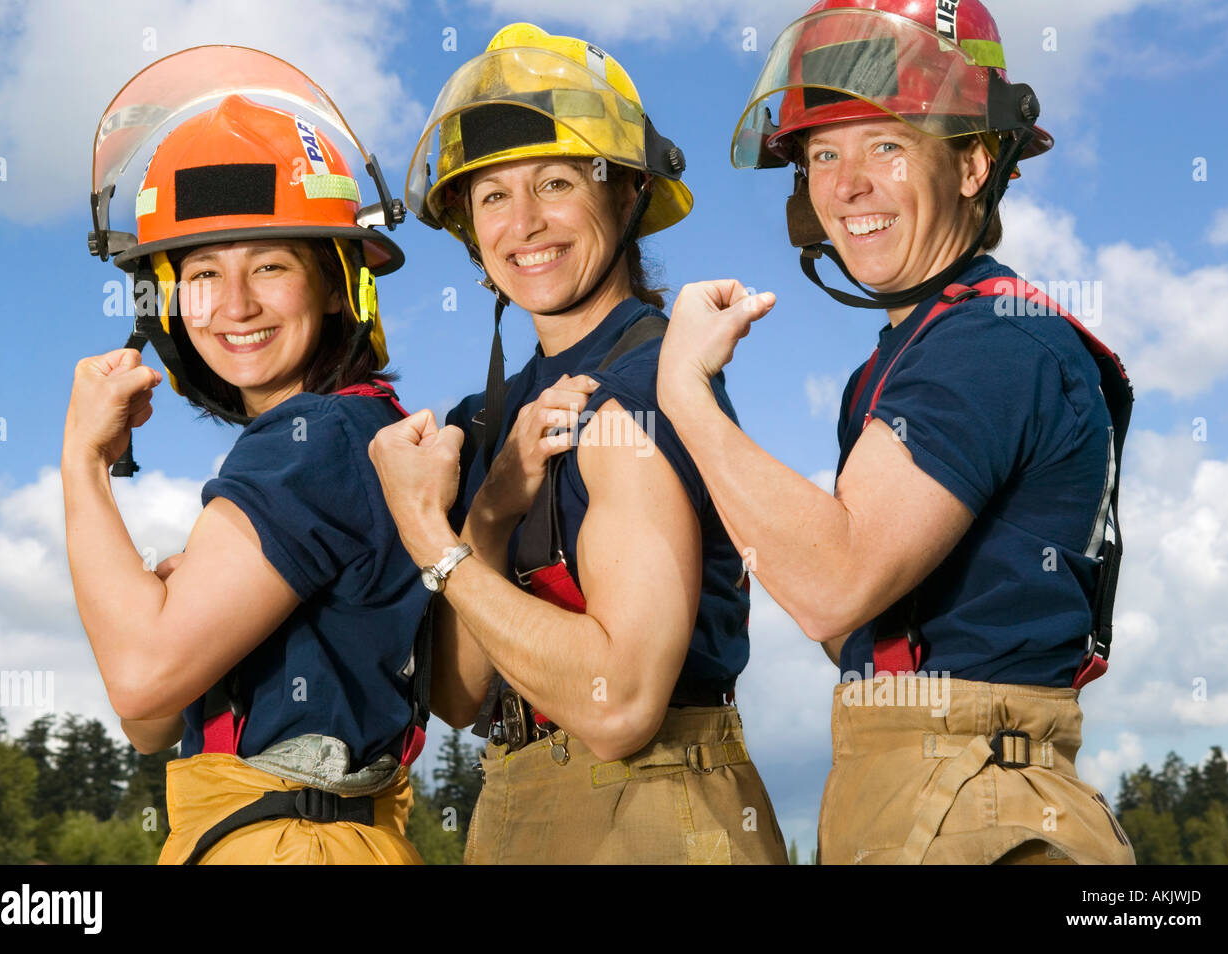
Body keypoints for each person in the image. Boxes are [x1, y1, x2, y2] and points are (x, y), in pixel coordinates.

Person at [656, 0, 1136, 865]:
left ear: (971, 164)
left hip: (977, 805)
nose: (845, 186)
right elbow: (852, 620)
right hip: (909, 789)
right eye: (822, 154)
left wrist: (685, 391)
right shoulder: (907, 359)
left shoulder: (990, 345)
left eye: (887, 144)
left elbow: (832, 586)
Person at [369, 23, 788, 864]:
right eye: (492, 195)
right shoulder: (489, 419)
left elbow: (619, 703)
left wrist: (428, 537)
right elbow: (458, 695)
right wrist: (484, 516)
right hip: (517, 800)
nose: (523, 224)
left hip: (660, 809)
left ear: (625, 192)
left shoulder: (647, 386)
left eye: (556, 182)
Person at [66, 46, 428, 864]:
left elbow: (143, 681)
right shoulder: (335, 438)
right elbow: (152, 725)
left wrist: (83, 464)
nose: (234, 305)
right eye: (201, 273)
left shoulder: (319, 444)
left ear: (338, 284)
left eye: (270, 265)